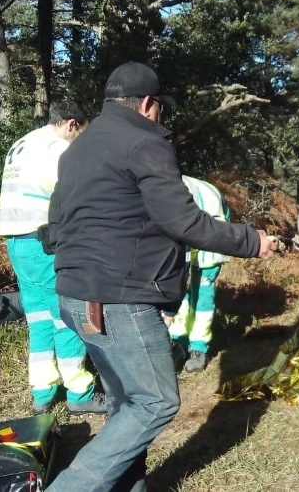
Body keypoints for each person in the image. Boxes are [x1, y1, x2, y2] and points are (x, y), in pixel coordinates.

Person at [44, 62, 279, 492]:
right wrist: (251, 241)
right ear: (149, 104)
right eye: (160, 109)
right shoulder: (142, 143)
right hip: (117, 299)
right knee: (155, 402)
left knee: (125, 403)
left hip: (76, 293)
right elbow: (184, 221)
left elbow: (53, 226)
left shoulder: (78, 148)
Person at [0, 100, 105, 416]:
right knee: (67, 315)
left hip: (18, 242)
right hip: (45, 241)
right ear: (71, 124)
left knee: (39, 318)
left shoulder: (22, 143)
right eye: (79, 133)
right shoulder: (57, 149)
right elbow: (75, 196)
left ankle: (43, 393)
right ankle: (79, 393)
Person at [168, 175, 231, 373]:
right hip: (183, 229)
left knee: (202, 290)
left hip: (211, 226)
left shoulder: (168, 190)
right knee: (178, 288)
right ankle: (179, 340)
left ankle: (198, 346)